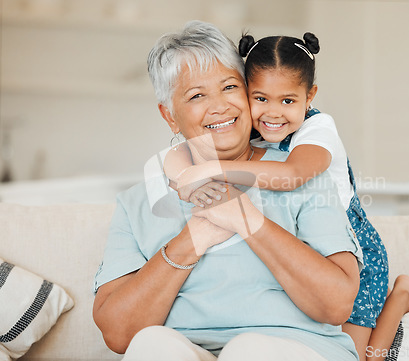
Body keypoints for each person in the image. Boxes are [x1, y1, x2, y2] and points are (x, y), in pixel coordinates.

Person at [92, 20, 365, 361]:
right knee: (153, 345)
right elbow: (118, 335)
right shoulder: (137, 202)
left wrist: (247, 219)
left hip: (298, 348)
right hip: (186, 349)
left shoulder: (303, 178)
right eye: (196, 95)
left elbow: (337, 304)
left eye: (229, 87)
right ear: (170, 116)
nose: (219, 106)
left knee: (247, 351)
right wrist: (191, 240)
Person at [162, 32, 392, 360]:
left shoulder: (318, 129)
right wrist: (182, 176)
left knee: (361, 353)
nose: (273, 112)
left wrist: (213, 171)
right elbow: (177, 155)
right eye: (260, 99)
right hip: (309, 240)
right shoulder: (257, 124)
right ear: (246, 92)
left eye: (288, 101)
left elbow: (292, 175)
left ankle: (404, 298)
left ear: (309, 96)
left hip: (350, 245)